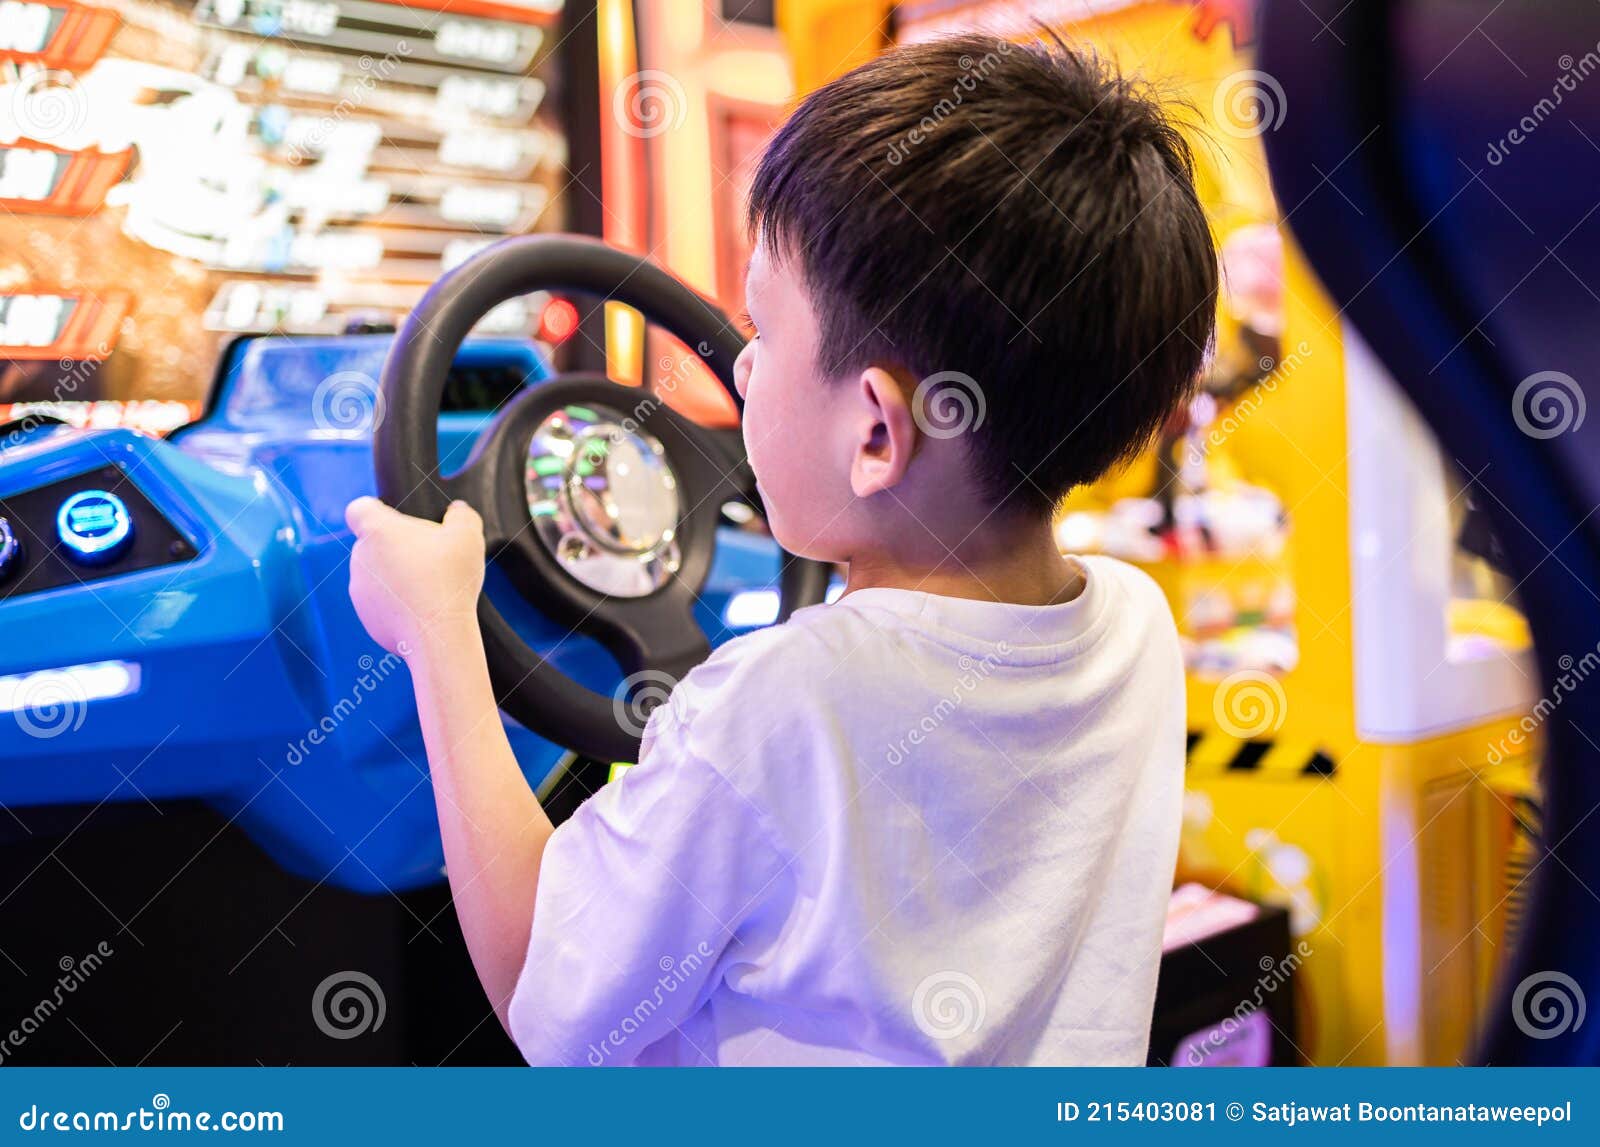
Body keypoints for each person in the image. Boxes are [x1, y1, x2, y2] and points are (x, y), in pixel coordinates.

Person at [345, 31, 1218, 1065]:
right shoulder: (1133, 622)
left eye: (762, 332)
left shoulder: (777, 699)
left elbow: (548, 987)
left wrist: (440, 629)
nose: (742, 368)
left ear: (879, 434)